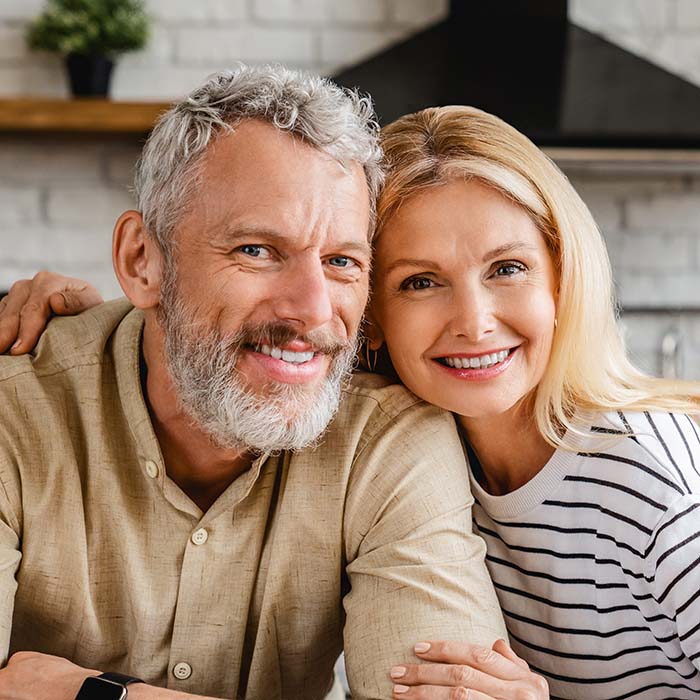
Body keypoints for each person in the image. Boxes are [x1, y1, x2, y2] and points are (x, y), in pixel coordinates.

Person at [12, 104, 700, 700]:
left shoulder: (647, 475)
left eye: (508, 268)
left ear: (564, 273)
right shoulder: (422, 433)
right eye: (420, 281)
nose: (473, 321)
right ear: (373, 314)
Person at [0, 68, 510, 700]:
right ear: (142, 261)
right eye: (257, 251)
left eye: (341, 261)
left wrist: (87, 694)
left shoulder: (388, 440)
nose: (314, 311)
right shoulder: (14, 409)